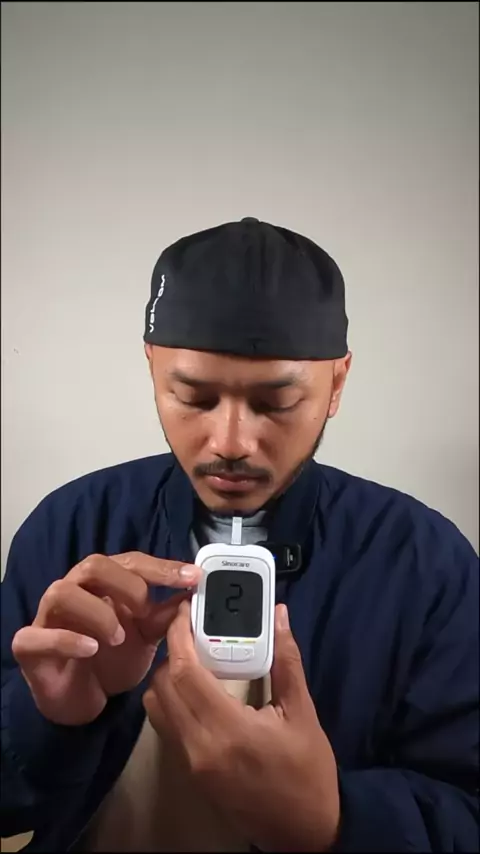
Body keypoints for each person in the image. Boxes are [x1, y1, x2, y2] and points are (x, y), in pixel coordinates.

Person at [1, 217, 478, 854]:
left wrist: (334, 821)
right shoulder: (73, 528)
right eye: (194, 398)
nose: (230, 443)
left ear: (336, 383)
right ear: (151, 368)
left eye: (276, 403)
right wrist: (48, 720)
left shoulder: (428, 564)